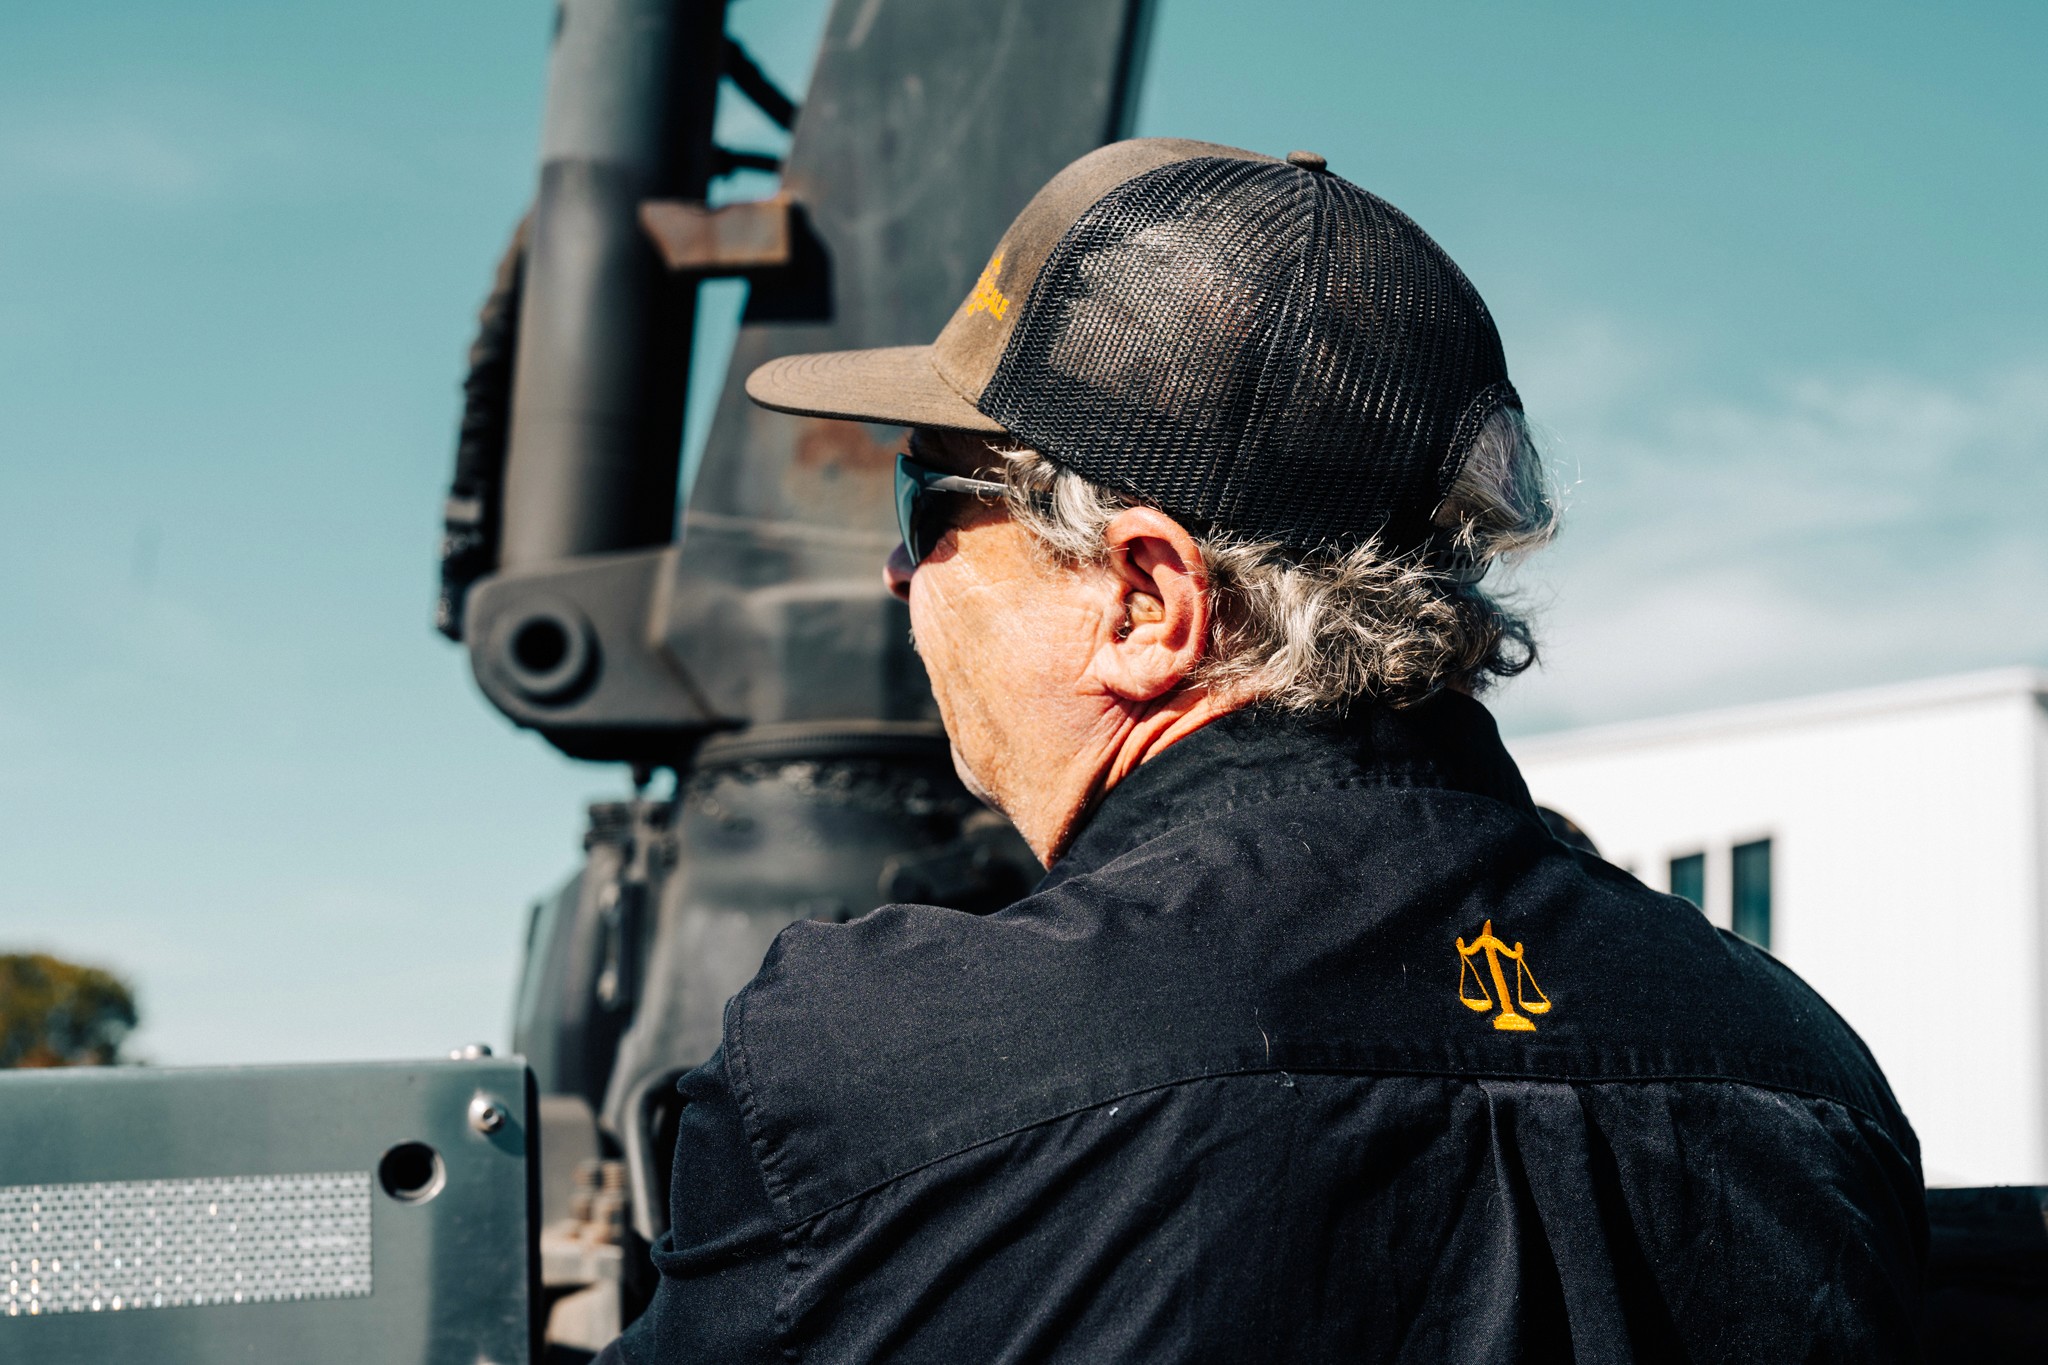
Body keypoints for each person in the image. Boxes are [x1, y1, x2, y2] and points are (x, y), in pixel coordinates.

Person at [600, 139, 1923, 1363]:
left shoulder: (875, 1070)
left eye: (926, 499)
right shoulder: (1812, 1073)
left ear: (1145, 599)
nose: (900, 571)